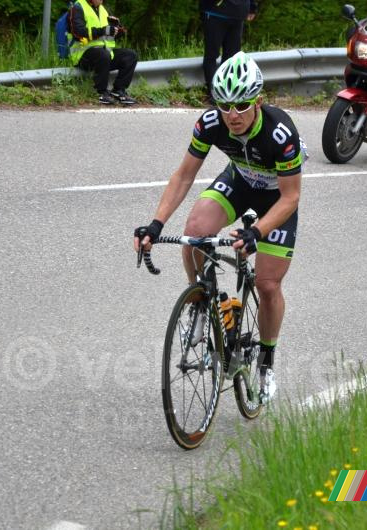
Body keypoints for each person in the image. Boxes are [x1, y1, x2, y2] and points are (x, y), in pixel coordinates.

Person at [134, 52, 304, 404]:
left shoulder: (280, 132)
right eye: (225, 105)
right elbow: (184, 176)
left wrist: (256, 233)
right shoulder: (210, 123)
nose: (233, 115)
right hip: (239, 183)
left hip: (276, 198)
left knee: (267, 284)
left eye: (241, 106)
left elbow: (290, 198)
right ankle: (201, 302)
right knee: (195, 231)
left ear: (257, 100)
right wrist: (155, 223)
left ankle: (266, 363)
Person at [68, 0, 138, 105]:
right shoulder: (78, 8)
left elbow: (109, 33)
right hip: (83, 55)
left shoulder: (103, 10)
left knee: (130, 55)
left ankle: (118, 91)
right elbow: (78, 32)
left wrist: (118, 30)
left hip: (104, 55)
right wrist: (103, 30)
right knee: (103, 55)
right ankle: (102, 93)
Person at [200, 0, 258, 101]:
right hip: (230, 12)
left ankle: (220, 95)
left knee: (222, 57)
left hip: (223, 12)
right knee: (225, 57)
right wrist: (252, 7)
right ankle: (220, 95)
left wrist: (252, 7)